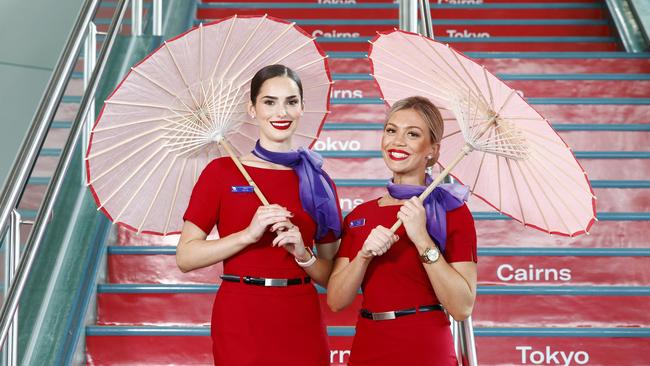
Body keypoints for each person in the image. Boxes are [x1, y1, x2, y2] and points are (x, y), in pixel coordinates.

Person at [176, 64, 342, 366]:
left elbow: (334, 278)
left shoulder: (319, 182)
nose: (281, 112)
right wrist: (248, 235)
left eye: (291, 102)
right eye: (269, 101)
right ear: (251, 109)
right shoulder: (221, 172)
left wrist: (304, 255)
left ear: (302, 107)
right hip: (241, 315)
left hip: (300, 317)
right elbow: (186, 257)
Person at [326, 96, 477, 366]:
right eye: (391, 130)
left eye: (413, 134)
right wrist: (363, 255)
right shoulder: (361, 216)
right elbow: (336, 301)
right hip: (368, 345)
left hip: (425, 346)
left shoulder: (452, 212)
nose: (398, 141)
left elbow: (462, 307)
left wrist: (422, 239)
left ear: (432, 149)